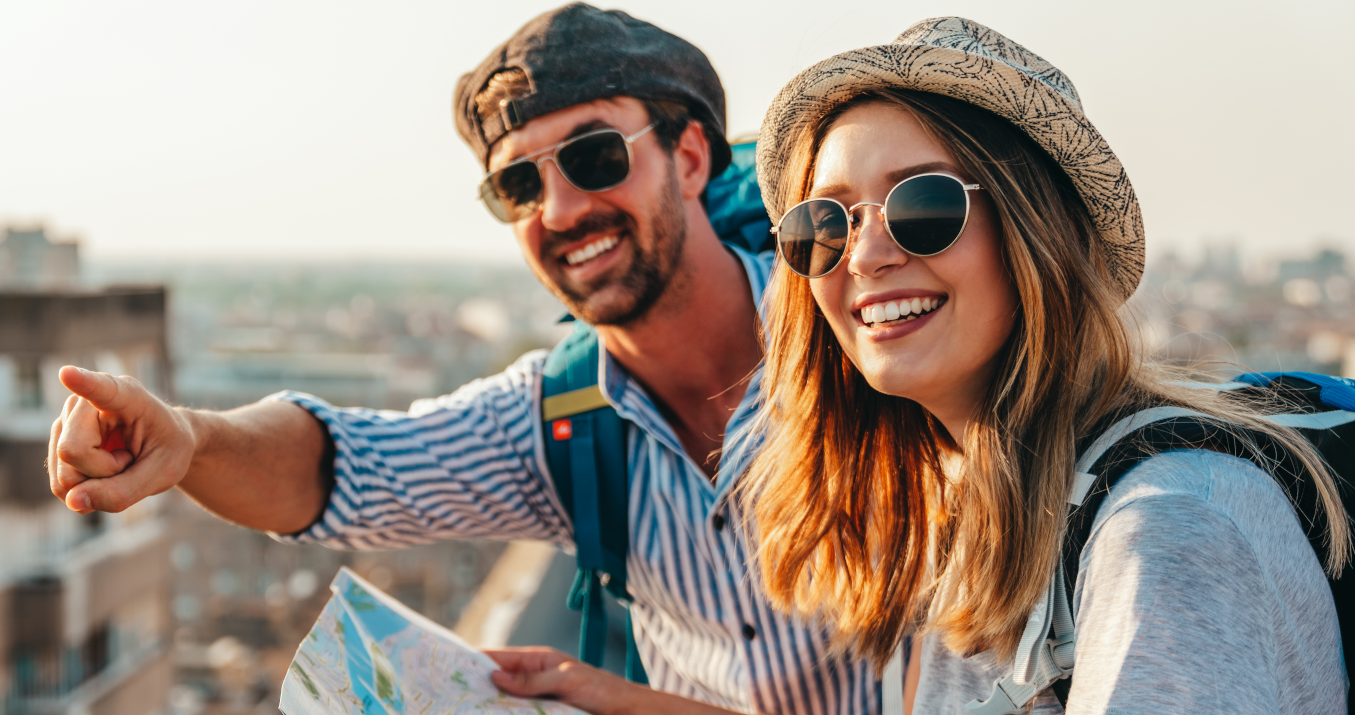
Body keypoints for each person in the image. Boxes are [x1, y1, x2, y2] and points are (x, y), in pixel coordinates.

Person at [47, 3, 884, 714]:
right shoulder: (558, 417)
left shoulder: (862, 334)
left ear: (692, 156)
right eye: (518, 186)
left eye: (595, 157)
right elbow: (342, 467)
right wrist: (190, 438)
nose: (560, 208)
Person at [731, 17, 1349, 714]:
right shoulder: (976, 511)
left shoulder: (1168, 528)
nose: (867, 255)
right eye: (826, 225)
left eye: (924, 205)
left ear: (1036, 231)